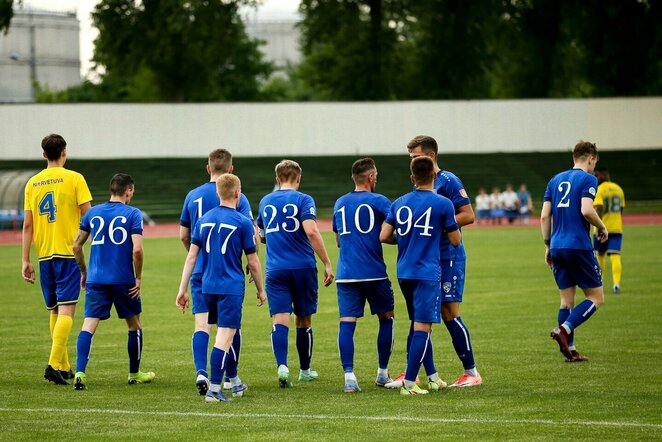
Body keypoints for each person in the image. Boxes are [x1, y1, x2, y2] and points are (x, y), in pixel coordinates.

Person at [400, 135, 481, 388]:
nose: (412, 162)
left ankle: (472, 372)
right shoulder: (419, 181)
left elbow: (468, 215)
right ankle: (417, 374)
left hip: (448, 257)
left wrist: (442, 225)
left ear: (430, 156)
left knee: (449, 314)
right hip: (426, 259)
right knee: (420, 317)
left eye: (415, 157)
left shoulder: (448, 181)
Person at [176, 174, 266, 403]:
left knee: (223, 332)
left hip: (207, 284)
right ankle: (215, 388)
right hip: (230, 286)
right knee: (225, 336)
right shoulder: (243, 222)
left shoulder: (203, 220)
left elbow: (191, 257)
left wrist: (182, 288)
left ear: (217, 193)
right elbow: (253, 262)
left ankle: (233, 380)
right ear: (238, 193)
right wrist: (260, 289)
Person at [380, 156, 461, 395]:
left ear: (412, 177)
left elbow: (384, 236)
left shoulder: (399, 203)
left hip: (404, 271)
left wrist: (406, 239)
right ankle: (410, 383)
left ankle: (433, 376)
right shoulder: (443, 204)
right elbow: (456, 240)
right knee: (423, 327)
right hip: (427, 272)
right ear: (434, 176)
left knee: (418, 324)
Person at [21, 134, 92, 385]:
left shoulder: (32, 183)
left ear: (43, 154)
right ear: (64, 152)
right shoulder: (75, 178)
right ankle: (53, 364)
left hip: (44, 255)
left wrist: (25, 259)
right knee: (68, 310)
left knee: (55, 309)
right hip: (67, 252)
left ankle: (62, 365)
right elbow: (89, 216)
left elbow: (28, 224)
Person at [72, 173, 155, 389]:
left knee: (89, 323)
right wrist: (138, 277)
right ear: (128, 190)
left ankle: (80, 373)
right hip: (123, 279)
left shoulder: (93, 213)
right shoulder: (132, 214)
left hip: (96, 278)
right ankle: (134, 374)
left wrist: (84, 272)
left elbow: (76, 246)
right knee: (134, 324)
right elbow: (137, 249)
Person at [257, 159, 334, 388]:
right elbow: (311, 231)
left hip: (276, 269)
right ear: (298, 178)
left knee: (279, 319)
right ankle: (305, 370)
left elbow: (261, 235)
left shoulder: (265, 201)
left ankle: (282, 365)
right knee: (304, 319)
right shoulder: (303, 199)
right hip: (302, 267)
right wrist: (327, 262)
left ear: (277, 179)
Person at [541, 141, 608, 363]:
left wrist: (548, 245)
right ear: (591, 158)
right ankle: (565, 329)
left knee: (566, 301)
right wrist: (602, 226)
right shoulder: (589, 179)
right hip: (578, 245)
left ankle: (570, 349)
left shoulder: (554, 180)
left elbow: (544, 216)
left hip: (558, 245)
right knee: (596, 297)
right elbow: (587, 210)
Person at [332, 158, 395, 393]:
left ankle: (349, 377)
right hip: (374, 273)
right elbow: (389, 232)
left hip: (346, 273)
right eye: (375, 175)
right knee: (386, 318)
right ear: (370, 177)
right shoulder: (380, 201)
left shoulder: (340, 203)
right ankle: (382, 373)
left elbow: (338, 240)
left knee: (347, 323)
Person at [593, 166, 625, 294]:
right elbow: (621, 209)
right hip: (616, 227)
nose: (595, 177)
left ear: (602, 175)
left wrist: (600, 226)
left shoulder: (599, 190)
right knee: (615, 255)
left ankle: (600, 282)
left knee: (600, 255)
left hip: (602, 228)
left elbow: (599, 208)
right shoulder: (619, 189)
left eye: (597, 175)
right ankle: (616, 284)